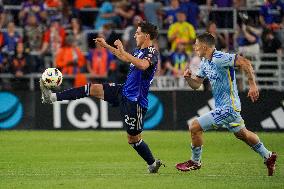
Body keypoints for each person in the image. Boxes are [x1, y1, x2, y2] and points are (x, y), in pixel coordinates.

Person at [40, 21, 164, 173]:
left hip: (135, 102)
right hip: (123, 91)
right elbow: (123, 57)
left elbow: (143, 65)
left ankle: (152, 164)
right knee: (92, 88)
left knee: (133, 139)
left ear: (146, 36)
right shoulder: (139, 51)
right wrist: (106, 45)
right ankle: (52, 97)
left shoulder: (152, 52)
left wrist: (124, 52)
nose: (134, 35)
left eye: (137, 33)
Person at [175, 33, 277, 176]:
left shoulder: (220, 58)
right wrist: (188, 78)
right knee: (243, 135)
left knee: (194, 126)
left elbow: (245, 62)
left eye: (196, 44)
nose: (194, 47)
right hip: (224, 107)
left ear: (204, 46)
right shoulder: (205, 62)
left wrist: (252, 85)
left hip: (229, 107)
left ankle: (195, 161)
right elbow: (197, 84)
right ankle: (268, 156)